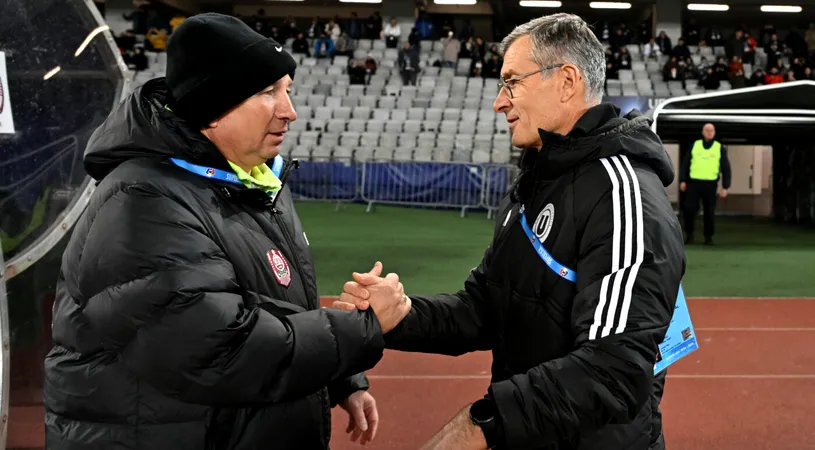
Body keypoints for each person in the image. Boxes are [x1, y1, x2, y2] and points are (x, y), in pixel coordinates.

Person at [43, 13, 411, 450]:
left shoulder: (250, 179)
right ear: (212, 109)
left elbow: (270, 305)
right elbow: (220, 352)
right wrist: (362, 330)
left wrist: (341, 380)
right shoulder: (143, 201)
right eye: (267, 92)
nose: (290, 111)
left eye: (287, 91)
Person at [334, 13, 685, 450]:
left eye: (512, 82)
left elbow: (613, 371)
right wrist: (403, 315)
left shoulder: (621, 193)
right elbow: (486, 306)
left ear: (567, 81)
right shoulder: (537, 181)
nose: (500, 102)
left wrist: (482, 422)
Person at [679, 123, 731, 245]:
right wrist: (683, 180)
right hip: (693, 184)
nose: (709, 132)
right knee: (689, 210)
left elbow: (726, 168)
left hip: (710, 185)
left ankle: (708, 237)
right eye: (706, 130)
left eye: (711, 130)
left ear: (714, 132)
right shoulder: (694, 146)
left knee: (709, 212)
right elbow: (685, 164)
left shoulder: (719, 148)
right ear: (702, 132)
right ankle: (689, 235)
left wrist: (725, 186)